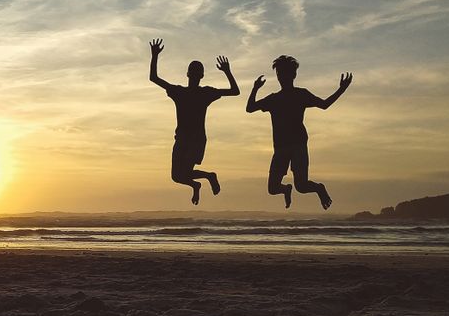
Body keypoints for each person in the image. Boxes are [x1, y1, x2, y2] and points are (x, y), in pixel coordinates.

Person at [246, 55, 352, 209]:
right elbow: (250, 108)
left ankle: (319, 188)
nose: (282, 77)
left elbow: (324, 104)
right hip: (280, 147)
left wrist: (341, 89)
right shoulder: (274, 99)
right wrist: (255, 88)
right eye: (279, 74)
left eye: (285, 73)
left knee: (301, 186)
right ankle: (286, 189)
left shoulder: (301, 94)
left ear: (293, 75)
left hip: (298, 145)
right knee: (273, 188)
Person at [149, 38, 240, 205]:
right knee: (177, 176)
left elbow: (154, 77)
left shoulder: (189, 92)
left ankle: (208, 177)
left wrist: (154, 55)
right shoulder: (191, 92)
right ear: (201, 75)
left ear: (188, 74)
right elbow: (235, 91)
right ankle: (197, 184)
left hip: (195, 140)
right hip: (183, 139)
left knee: (182, 174)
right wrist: (227, 71)